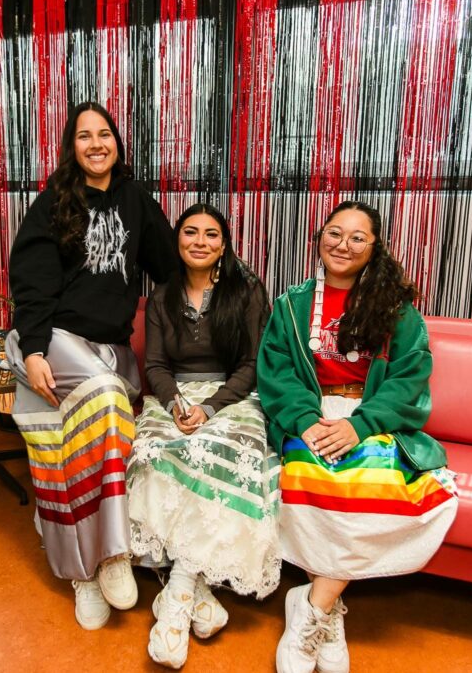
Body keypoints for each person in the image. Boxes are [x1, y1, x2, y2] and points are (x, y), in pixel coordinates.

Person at [257, 200, 458, 673]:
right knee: (306, 473)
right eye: (334, 233)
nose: (342, 244)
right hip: (312, 414)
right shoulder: (291, 305)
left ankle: (313, 606)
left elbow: (409, 378)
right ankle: (330, 611)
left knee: (372, 482)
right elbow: (276, 371)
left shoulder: (396, 310)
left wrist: (359, 425)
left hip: (370, 418)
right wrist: (304, 420)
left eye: (357, 237)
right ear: (319, 238)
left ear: (375, 246)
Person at [5, 101, 175, 631]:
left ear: (117, 143)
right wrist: (35, 350)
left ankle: (94, 560)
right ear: (71, 146)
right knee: (105, 396)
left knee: (78, 446)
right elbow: (32, 281)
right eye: (84, 136)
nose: (96, 144)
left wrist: (225, 283)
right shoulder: (54, 201)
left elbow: (171, 265)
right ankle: (103, 560)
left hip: (109, 349)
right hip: (55, 340)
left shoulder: (135, 200)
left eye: (105, 134)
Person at [126, 203, 279, 669]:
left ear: (224, 243)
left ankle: (177, 593)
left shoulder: (247, 291)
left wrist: (211, 407)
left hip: (233, 396)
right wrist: (176, 404)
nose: (200, 241)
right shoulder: (161, 296)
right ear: (177, 240)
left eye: (211, 234)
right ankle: (199, 590)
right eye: (190, 232)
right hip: (174, 397)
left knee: (215, 449)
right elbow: (156, 365)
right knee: (152, 450)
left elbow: (252, 365)